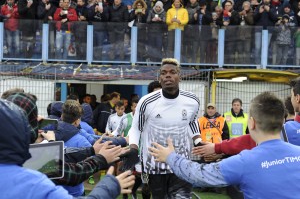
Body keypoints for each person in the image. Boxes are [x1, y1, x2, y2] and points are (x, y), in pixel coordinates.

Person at [149, 91, 300, 198]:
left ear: (252, 123)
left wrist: (170, 157)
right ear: (282, 122)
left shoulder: (245, 162)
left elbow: (199, 174)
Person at [0, 99, 135, 199]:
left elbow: (65, 157)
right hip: (73, 191)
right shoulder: (33, 180)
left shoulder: (35, 159)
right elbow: (68, 170)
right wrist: (109, 185)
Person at [125, 58, 201, 198]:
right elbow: (136, 128)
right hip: (155, 165)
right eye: (164, 73)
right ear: (159, 78)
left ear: (180, 76)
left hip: (181, 163)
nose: (168, 75)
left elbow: (192, 122)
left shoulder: (192, 100)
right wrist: (133, 148)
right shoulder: (146, 102)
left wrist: (198, 141)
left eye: (172, 72)